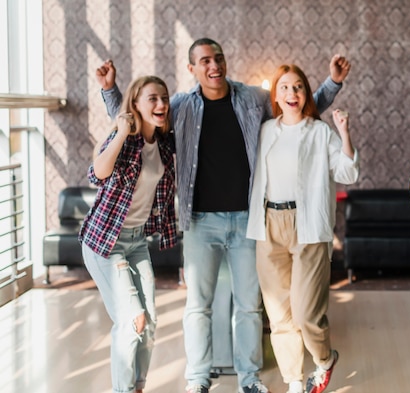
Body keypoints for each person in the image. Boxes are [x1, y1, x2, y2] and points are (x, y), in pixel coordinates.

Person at [96, 38, 351, 393]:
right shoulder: (182, 106)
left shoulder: (252, 99)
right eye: (204, 61)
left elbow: (295, 107)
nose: (213, 65)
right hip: (201, 222)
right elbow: (138, 117)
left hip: (248, 220)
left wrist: (332, 84)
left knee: (249, 307)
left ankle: (249, 379)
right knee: (198, 306)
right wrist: (110, 91)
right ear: (192, 69)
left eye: (218, 58)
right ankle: (198, 379)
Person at [246, 64, 359, 393]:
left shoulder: (319, 131)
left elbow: (348, 172)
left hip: (306, 226)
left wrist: (345, 131)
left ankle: (324, 360)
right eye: (284, 88)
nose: (291, 93)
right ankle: (294, 379)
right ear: (276, 96)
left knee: (308, 311)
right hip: (268, 226)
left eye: (298, 87)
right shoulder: (265, 131)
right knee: (279, 313)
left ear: (306, 95)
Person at [79, 75, 177, 393]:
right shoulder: (127, 139)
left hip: (135, 242)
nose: (161, 104)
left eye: (164, 98)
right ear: (136, 104)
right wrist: (121, 130)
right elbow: (97, 173)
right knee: (132, 320)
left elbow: (121, 104)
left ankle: (137, 387)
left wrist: (110, 89)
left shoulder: (164, 144)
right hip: (106, 242)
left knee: (149, 323)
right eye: (152, 98)